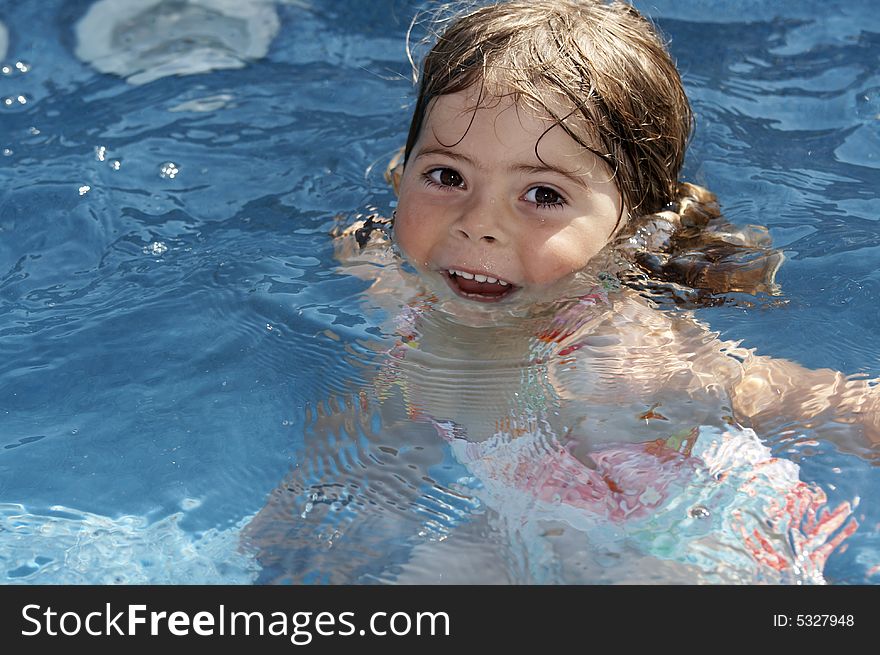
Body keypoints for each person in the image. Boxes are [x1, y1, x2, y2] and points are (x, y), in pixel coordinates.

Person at [244, 0, 877, 583]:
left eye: (542, 195)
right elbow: (388, 405)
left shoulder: (620, 348)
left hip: (689, 536)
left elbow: (811, 400)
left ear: (627, 223)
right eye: (446, 175)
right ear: (402, 171)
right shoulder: (398, 293)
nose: (478, 225)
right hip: (525, 521)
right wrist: (320, 494)